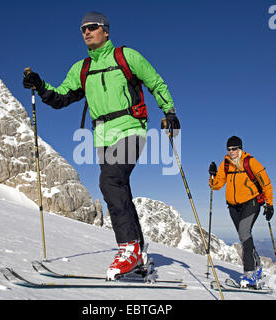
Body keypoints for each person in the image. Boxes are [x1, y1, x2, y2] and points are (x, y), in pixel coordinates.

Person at [22, 11, 180, 280]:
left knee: (109, 181)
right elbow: (61, 98)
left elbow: (154, 82)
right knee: (120, 188)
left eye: (92, 27)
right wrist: (40, 85)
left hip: (131, 129)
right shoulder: (82, 68)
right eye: (82, 28)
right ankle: (139, 254)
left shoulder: (126, 56)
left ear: (105, 31)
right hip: (102, 137)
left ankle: (128, 249)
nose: (86, 31)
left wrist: (169, 111)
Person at [208, 136, 274, 287]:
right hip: (233, 206)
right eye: (229, 149)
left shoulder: (250, 162)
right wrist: (212, 175)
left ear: (240, 148)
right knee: (244, 237)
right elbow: (216, 185)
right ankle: (256, 266)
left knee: (244, 233)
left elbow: (266, 183)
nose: (232, 152)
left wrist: (269, 204)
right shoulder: (225, 164)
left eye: (235, 149)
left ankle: (250, 274)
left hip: (251, 202)